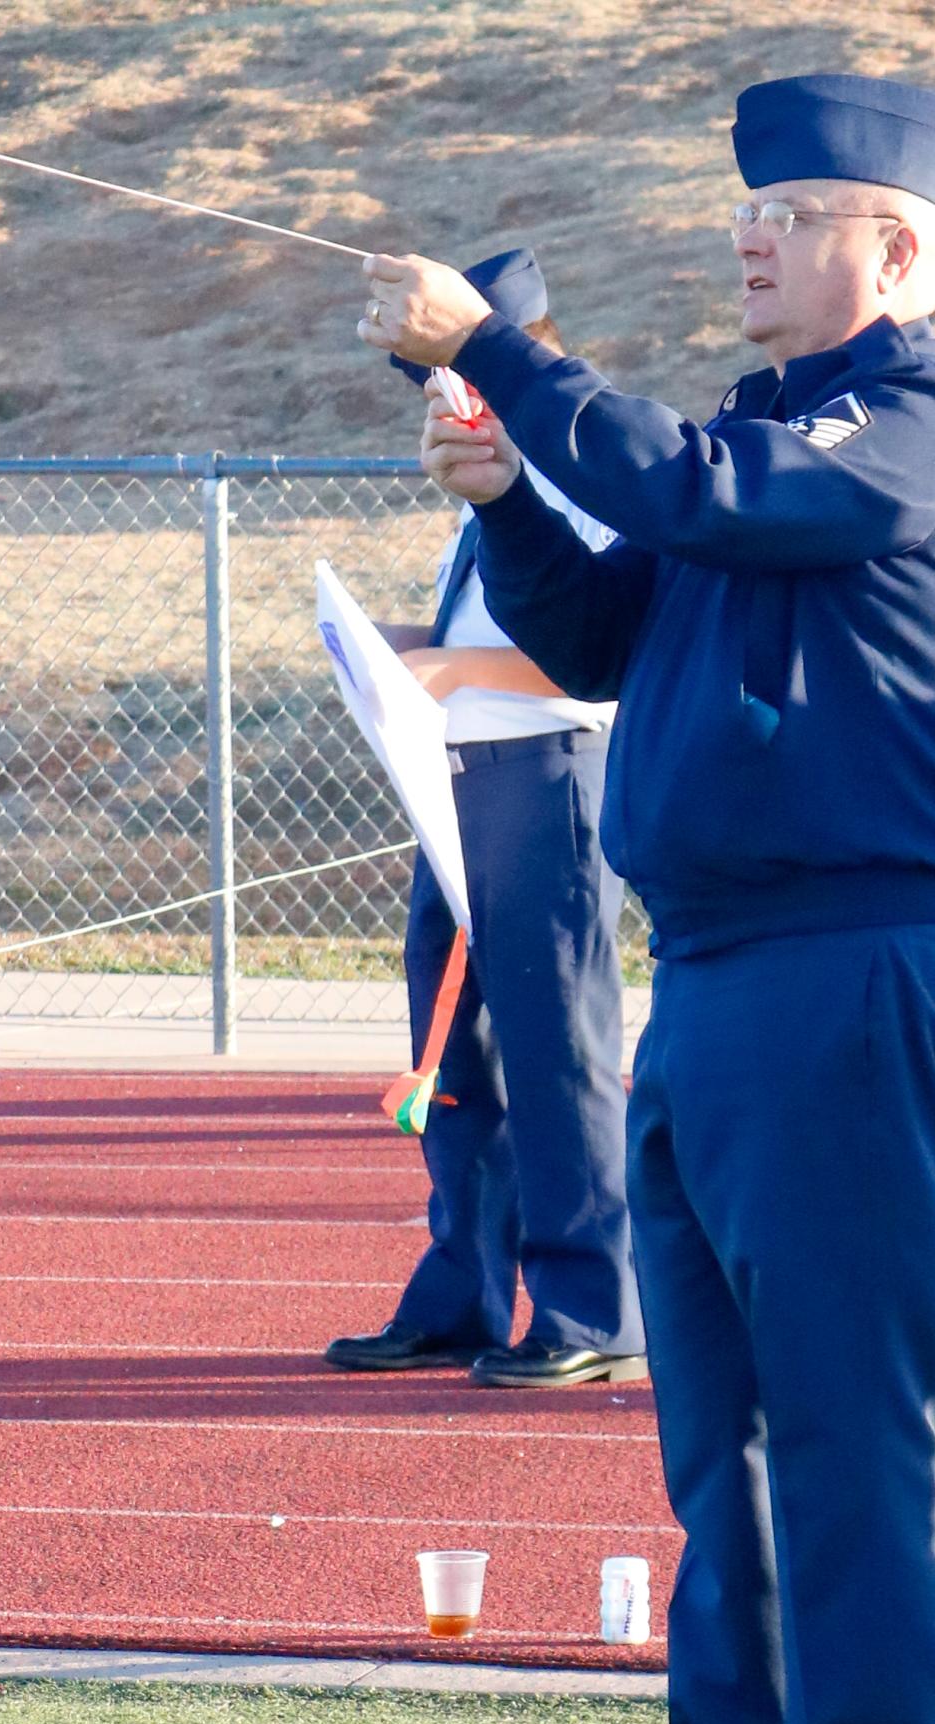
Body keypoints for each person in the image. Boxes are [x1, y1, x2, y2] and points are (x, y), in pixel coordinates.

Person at [357, 72, 935, 1724]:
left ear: (891, 254)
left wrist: (499, 348)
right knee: (712, 1408)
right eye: (759, 208)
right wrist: (507, 501)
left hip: (838, 960)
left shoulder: (914, 424)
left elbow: (688, 496)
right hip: (721, 971)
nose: (749, 232)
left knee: (840, 1401)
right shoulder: (769, 436)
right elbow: (612, 628)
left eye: (793, 214)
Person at [326, 248, 645, 1388]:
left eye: (443, 369)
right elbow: (492, 624)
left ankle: (590, 1310)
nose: (434, 401)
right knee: (451, 1053)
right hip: (459, 781)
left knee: (557, 1054)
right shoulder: (497, 456)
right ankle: (462, 1290)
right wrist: (397, 654)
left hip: (550, 778)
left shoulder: (586, 459)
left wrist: (448, 673)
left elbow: (599, 657)